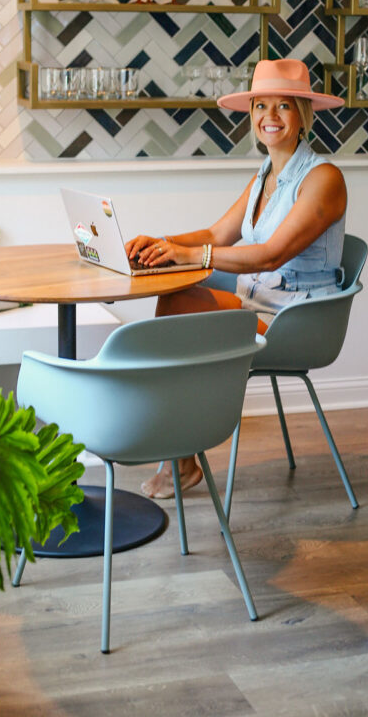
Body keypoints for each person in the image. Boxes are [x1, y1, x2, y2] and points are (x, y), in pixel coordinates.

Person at [125, 58, 346, 499]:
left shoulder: (324, 178)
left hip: (296, 319)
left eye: (283, 106)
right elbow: (215, 234)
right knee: (178, 298)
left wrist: (187, 254)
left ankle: (179, 452)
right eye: (261, 106)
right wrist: (161, 243)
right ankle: (181, 452)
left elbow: (270, 254)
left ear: (303, 115)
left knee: (179, 314)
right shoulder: (264, 176)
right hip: (258, 301)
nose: (270, 117)